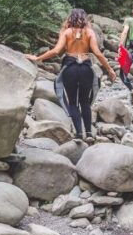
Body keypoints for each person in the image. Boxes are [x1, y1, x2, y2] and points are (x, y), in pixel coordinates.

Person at [26, 8, 116, 142]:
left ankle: (79, 134)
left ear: (71, 18)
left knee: (73, 102)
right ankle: (89, 133)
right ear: (84, 19)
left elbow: (56, 51)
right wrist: (110, 69)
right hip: (86, 68)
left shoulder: (67, 32)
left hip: (70, 68)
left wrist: (38, 58)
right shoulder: (89, 32)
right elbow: (97, 53)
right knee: (85, 102)